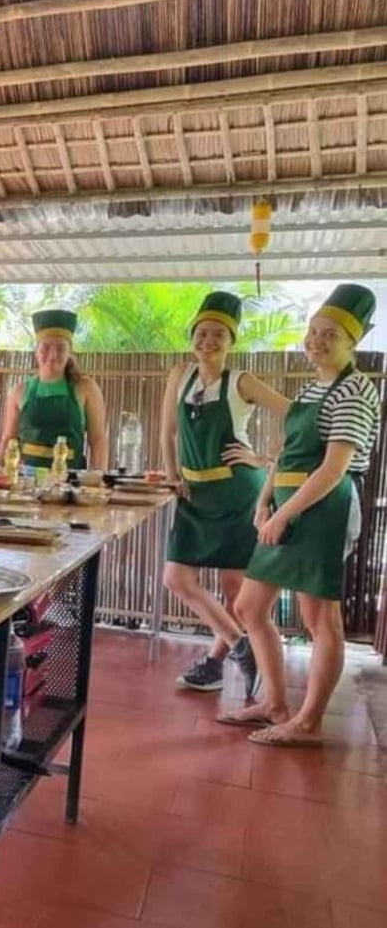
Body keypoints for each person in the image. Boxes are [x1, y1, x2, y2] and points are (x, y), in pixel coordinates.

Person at [223, 285, 381, 748]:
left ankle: (308, 722)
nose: (316, 340)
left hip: (323, 509)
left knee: (319, 619)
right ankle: (273, 704)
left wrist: (283, 516)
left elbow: (332, 469)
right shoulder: (313, 386)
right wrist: (264, 501)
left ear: (354, 342)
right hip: (287, 505)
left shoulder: (356, 389)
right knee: (249, 607)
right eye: (313, 331)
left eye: (329, 334)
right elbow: (287, 454)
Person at [161, 292, 288, 693]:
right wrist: (172, 474)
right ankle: (239, 645)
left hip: (237, 495)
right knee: (176, 579)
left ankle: (217, 664)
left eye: (219, 334)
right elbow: (168, 431)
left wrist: (263, 458)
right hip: (193, 495)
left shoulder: (242, 382)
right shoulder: (180, 374)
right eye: (201, 332)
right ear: (192, 336)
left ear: (231, 340)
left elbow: (299, 415)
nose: (208, 340)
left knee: (236, 594)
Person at [0, 308, 109, 471]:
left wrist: (99, 477)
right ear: (36, 351)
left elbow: (98, 439)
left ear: (70, 351)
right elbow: (9, 438)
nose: (52, 355)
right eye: (46, 347)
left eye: (60, 348)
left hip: (70, 483)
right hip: (26, 486)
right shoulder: (20, 391)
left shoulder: (86, 389)